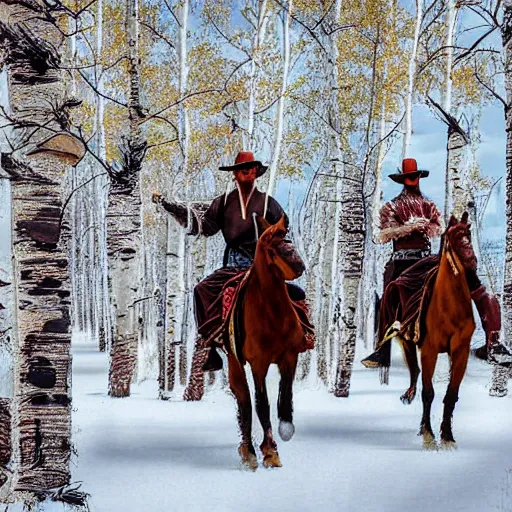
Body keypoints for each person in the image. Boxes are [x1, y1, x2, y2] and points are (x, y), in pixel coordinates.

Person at [152, 151, 313, 380]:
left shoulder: (269, 202)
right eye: (241, 169)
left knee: (297, 293)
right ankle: (212, 345)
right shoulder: (223, 202)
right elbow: (204, 226)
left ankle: (304, 334)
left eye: (250, 168)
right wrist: (173, 208)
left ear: (256, 172)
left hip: (265, 265)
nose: (246, 172)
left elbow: (282, 230)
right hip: (234, 265)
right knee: (202, 290)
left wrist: (285, 255)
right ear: (234, 174)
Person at [361, 158, 512, 372]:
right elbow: (383, 234)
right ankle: (382, 350)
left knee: (468, 281)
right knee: (388, 296)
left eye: (415, 177)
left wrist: (427, 226)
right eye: (409, 177)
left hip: (425, 258)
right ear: (403, 180)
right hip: (401, 260)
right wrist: (407, 228)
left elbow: (439, 227)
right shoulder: (391, 206)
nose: (413, 181)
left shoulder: (428, 205)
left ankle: (493, 342)